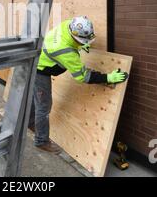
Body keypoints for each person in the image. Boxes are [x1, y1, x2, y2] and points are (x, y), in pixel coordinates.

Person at [29, 16, 129, 153]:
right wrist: (108, 77)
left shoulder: (70, 24)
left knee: (37, 99)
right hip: (39, 70)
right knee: (44, 106)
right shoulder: (65, 51)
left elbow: (73, 41)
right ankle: (41, 141)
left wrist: (80, 45)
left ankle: (30, 123)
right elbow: (84, 76)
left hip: (40, 57)